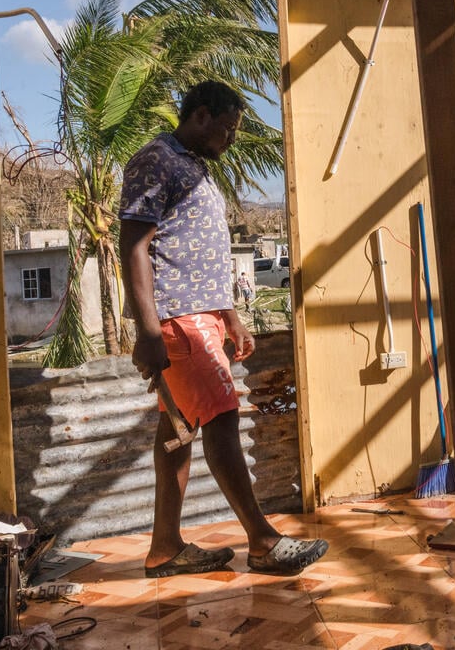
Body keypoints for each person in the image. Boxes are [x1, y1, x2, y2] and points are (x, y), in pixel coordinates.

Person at [118, 80, 328, 578]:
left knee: (176, 432)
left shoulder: (194, 167)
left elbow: (201, 251)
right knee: (223, 418)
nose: (231, 139)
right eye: (228, 128)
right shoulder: (156, 161)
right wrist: (149, 332)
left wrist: (229, 315)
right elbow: (134, 247)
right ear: (202, 116)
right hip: (177, 318)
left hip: (201, 315)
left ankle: (165, 548)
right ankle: (262, 541)